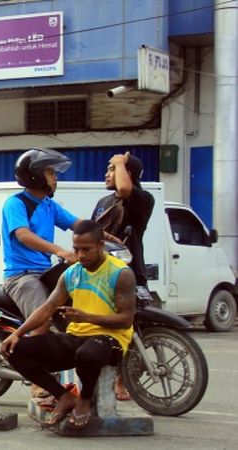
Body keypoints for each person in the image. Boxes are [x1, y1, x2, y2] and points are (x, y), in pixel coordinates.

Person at [1, 220, 136, 429]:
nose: (80, 255)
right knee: (14, 350)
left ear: (101, 245)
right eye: (76, 249)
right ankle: (64, 396)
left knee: (88, 353)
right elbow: (47, 308)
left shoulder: (121, 273)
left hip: (112, 339)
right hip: (76, 337)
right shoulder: (71, 273)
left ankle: (85, 399)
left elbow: (126, 319)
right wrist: (18, 333)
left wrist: (88, 318)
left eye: (86, 250)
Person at [1, 148, 82, 397]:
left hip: (44, 272)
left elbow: (77, 224)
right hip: (21, 276)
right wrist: (59, 249)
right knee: (43, 318)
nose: (55, 178)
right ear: (35, 175)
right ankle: (38, 382)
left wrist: (104, 236)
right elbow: (23, 235)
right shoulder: (16, 203)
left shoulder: (49, 205)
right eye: (50, 172)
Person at [91, 151, 153, 402]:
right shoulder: (104, 201)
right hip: (101, 274)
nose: (108, 173)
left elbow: (125, 190)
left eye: (113, 169)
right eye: (108, 169)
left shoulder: (142, 199)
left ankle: (123, 380)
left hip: (131, 273)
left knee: (136, 328)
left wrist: (120, 160)